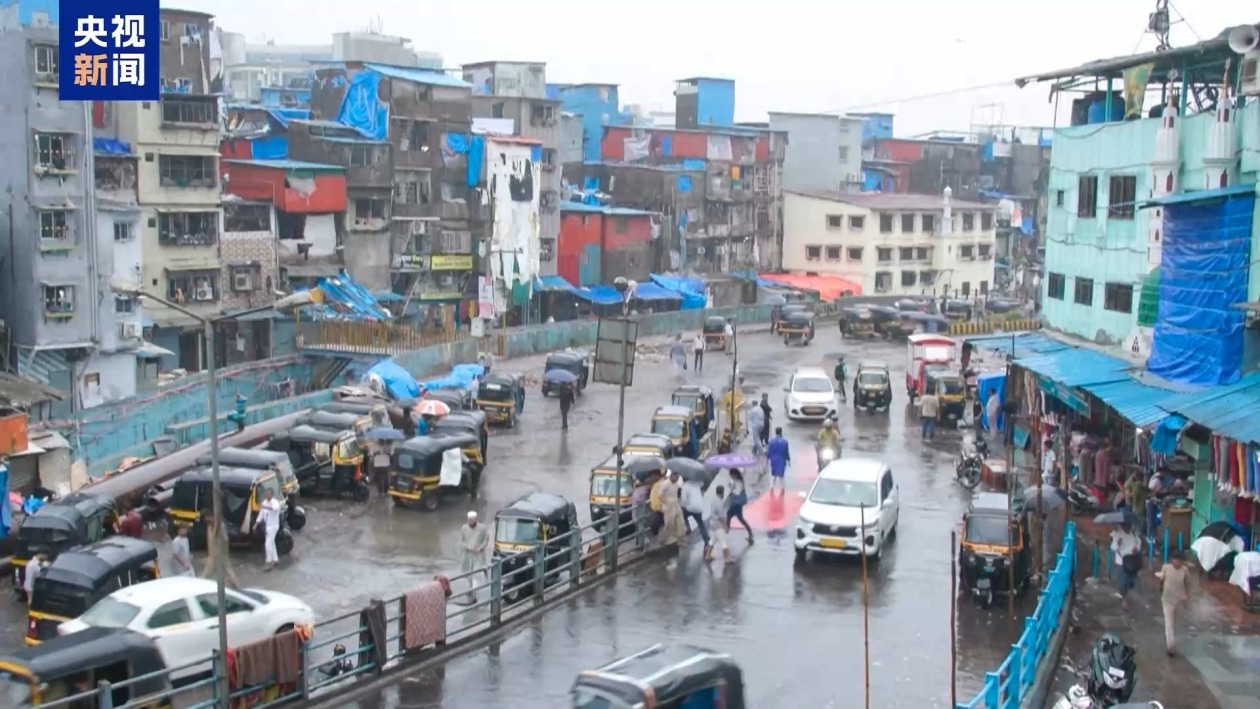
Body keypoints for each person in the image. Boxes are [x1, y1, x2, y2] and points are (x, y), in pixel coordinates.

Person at [1155, 551, 1192, 654]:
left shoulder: (1185, 571)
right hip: (1167, 599)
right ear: (1172, 560)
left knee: (1174, 622)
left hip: (1179, 599)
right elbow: (1161, 580)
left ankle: (1168, 636)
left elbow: (1188, 584)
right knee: (1169, 622)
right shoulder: (1166, 568)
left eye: (1180, 561)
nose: (1177, 563)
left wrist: (1187, 598)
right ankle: (1170, 646)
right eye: (1175, 560)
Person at [200, 513, 241, 589]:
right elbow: (212, 539)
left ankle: (237, 587)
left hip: (220, 555)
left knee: (228, 572)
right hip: (214, 556)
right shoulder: (211, 527)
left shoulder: (220, 526)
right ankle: (199, 587)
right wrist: (214, 526)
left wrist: (216, 526)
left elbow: (222, 539)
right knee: (207, 574)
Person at [1110, 520, 1142, 611]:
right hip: (1122, 561)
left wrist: (1137, 548)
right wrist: (1117, 544)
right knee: (1123, 581)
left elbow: (1138, 543)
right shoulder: (1117, 533)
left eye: (1129, 524)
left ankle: (1125, 592)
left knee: (1130, 581)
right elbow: (1113, 548)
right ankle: (1124, 599)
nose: (1128, 526)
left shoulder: (1134, 533)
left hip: (1133, 560)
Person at [459, 511, 490, 602]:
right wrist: (468, 548)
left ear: (475, 519)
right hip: (468, 554)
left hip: (479, 554)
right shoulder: (464, 528)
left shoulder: (482, 528)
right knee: (467, 571)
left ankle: (473, 592)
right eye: (469, 520)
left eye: (471, 520)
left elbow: (486, 540)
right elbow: (461, 541)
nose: (470, 521)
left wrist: (480, 548)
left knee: (477, 572)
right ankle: (471, 587)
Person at [680, 475, 709, 557]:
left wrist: (684, 505)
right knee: (701, 524)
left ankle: (687, 527)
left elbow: (683, 501)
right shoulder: (697, 483)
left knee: (682, 514)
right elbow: (702, 484)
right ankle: (706, 540)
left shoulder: (685, 486)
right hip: (699, 507)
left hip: (690, 508)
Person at [658, 471, 686, 550]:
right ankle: (664, 539)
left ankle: (681, 540)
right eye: (676, 476)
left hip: (676, 504)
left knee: (681, 523)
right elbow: (660, 494)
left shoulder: (676, 484)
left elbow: (677, 493)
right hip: (668, 506)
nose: (677, 479)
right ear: (672, 475)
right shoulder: (665, 484)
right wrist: (665, 502)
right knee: (669, 524)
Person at [258, 487, 283, 571]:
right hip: (267, 526)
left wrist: (265, 507)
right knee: (271, 543)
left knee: (268, 543)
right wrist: (256, 523)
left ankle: (268, 561)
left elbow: (274, 509)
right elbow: (261, 514)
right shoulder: (264, 502)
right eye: (266, 494)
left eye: (269, 494)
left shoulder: (275, 502)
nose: (267, 495)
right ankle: (275, 559)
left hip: (273, 526)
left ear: (272, 495)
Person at [726, 469, 754, 544]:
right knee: (731, 516)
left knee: (735, 517)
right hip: (735, 503)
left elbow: (737, 492)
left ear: (734, 475)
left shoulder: (739, 482)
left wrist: (731, 489)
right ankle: (750, 533)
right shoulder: (736, 481)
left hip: (737, 503)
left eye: (731, 475)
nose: (730, 476)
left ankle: (726, 530)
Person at [708, 485, 732, 562]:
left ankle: (708, 555)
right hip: (718, 524)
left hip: (712, 523)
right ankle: (727, 558)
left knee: (712, 540)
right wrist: (725, 526)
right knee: (723, 541)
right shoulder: (720, 502)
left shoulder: (713, 500)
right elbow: (720, 516)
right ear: (722, 492)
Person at [767, 427, 791, 492]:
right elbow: (786, 452)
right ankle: (782, 488)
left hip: (774, 460)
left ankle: (771, 487)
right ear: (781, 432)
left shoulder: (771, 442)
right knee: (781, 475)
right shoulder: (785, 442)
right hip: (782, 460)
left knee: (773, 474)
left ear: (775, 432)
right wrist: (788, 460)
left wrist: (767, 459)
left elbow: (769, 451)